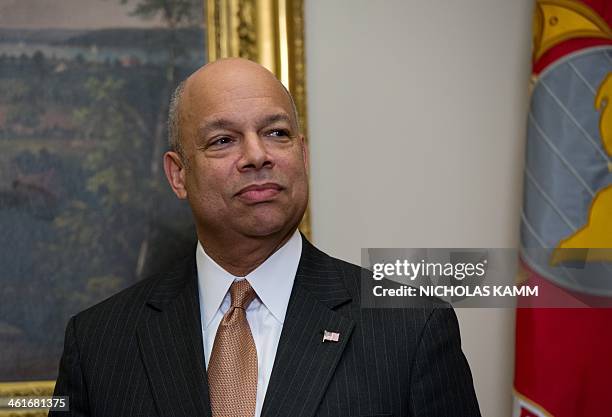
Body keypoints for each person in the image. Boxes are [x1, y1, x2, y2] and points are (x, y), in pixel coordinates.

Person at [50, 58, 481, 417]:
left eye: (277, 133)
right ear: (178, 175)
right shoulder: (98, 343)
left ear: (303, 154)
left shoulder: (411, 328)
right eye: (223, 140)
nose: (258, 155)